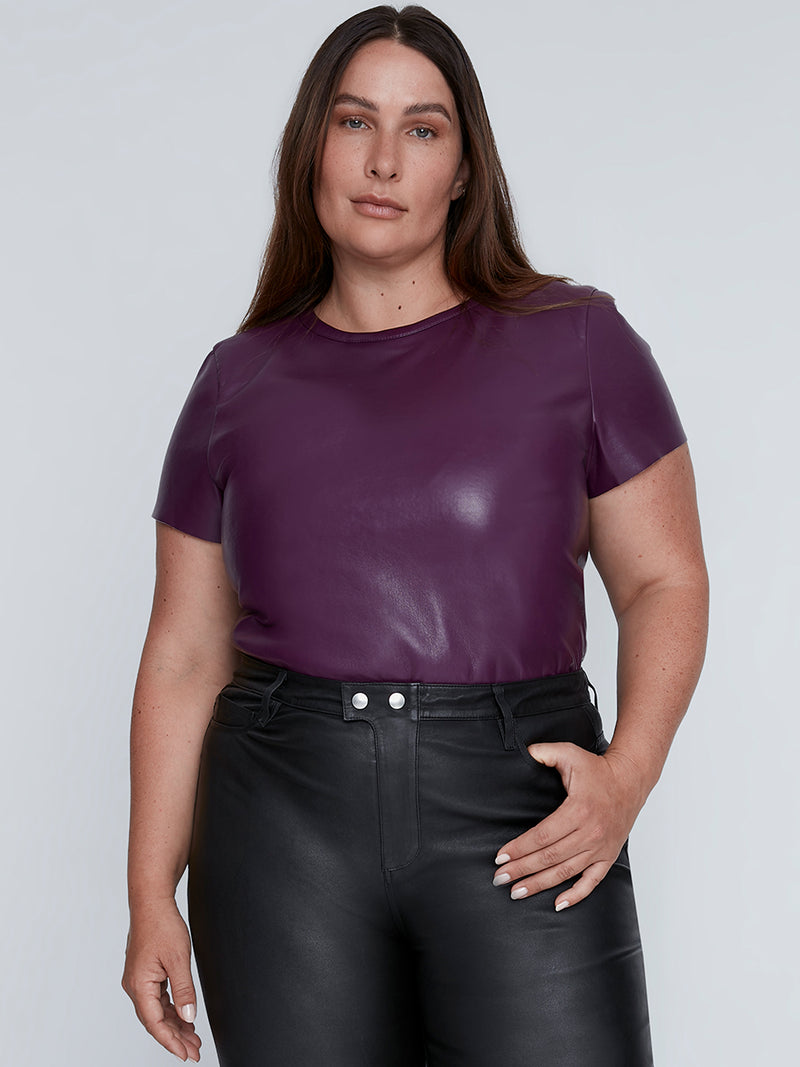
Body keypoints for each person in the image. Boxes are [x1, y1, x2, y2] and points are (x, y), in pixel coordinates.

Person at [121, 5, 709, 1065]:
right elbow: (184, 652)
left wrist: (628, 773)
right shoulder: (234, 382)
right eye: (355, 122)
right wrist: (149, 893)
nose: (384, 160)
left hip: (519, 811)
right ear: (313, 147)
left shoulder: (577, 342)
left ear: (464, 168)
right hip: (282, 827)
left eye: (422, 129)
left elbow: (663, 579)